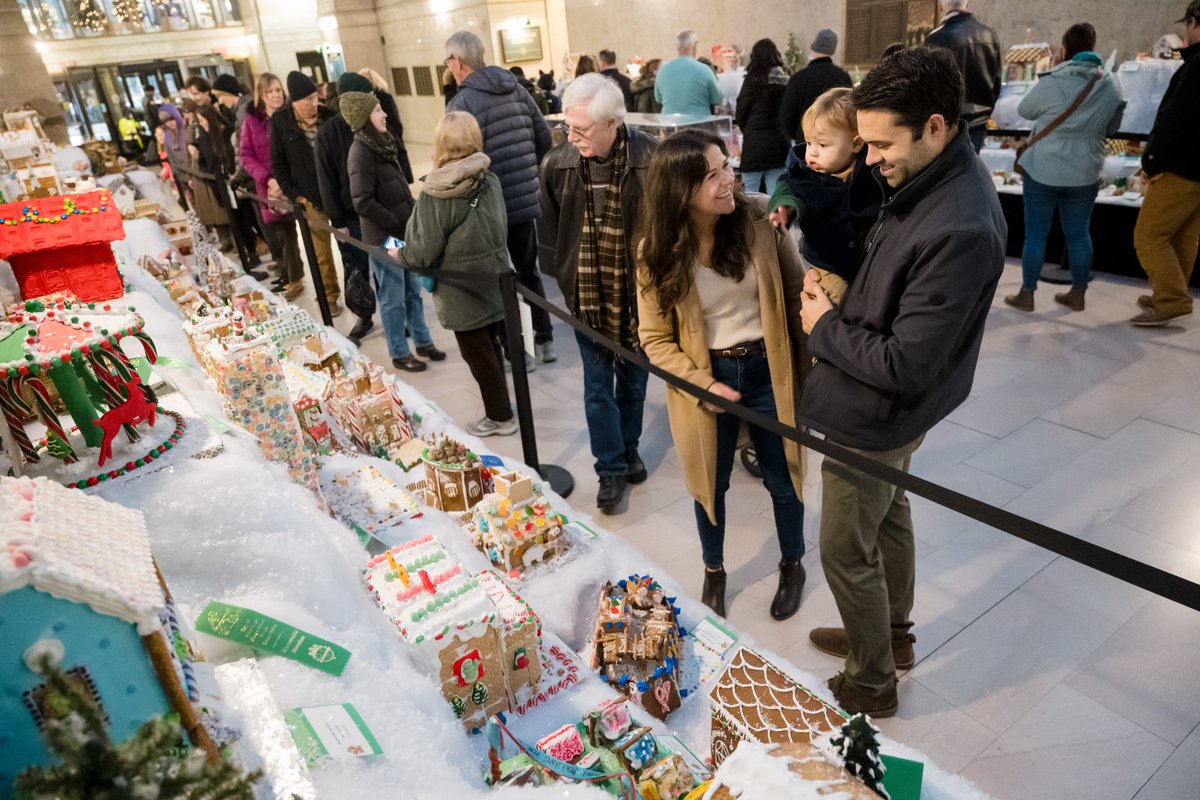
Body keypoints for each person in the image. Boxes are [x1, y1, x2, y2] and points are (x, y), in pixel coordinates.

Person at [798, 47, 1006, 717]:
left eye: (884, 143)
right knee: (889, 514)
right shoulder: (933, 180)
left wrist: (823, 326)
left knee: (844, 545)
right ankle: (890, 636)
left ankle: (872, 680)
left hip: (881, 405)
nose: (873, 155)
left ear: (937, 126)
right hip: (896, 405)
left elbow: (905, 363)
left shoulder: (960, 224)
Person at [636, 130, 808, 621]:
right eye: (711, 175)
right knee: (709, 483)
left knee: (784, 476)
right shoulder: (657, 248)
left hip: (767, 367)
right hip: (705, 375)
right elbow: (655, 340)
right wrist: (700, 383)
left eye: (726, 166)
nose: (727, 180)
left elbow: (796, 296)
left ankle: (792, 563)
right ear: (679, 190)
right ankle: (714, 570)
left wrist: (815, 369)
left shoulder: (759, 220)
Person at [539, 74, 657, 514]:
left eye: (581, 130)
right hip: (586, 294)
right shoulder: (557, 163)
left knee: (634, 379)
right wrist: (567, 284)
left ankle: (629, 449)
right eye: (568, 127)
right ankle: (609, 469)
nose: (572, 137)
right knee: (596, 385)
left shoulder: (651, 158)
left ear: (612, 123)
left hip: (636, 296)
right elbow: (553, 234)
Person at [385, 112, 516, 436]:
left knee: (478, 354)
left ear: (440, 143)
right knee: (491, 350)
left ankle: (500, 416)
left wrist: (399, 253)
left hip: (460, 290)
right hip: (495, 278)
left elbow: (421, 252)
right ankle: (502, 409)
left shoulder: (434, 194)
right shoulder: (491, 179)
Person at [445, 30, 557, 364]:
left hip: (486, 206)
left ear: (458, 61)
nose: (448, 66)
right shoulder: (517, 89)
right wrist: (527, 175)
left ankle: (518, 353)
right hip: (524, 200)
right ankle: (546, 339)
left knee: (499, 280)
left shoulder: (462, 103)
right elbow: (544, 138)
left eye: (448, 59)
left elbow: (455, 159)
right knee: (528, 272)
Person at [1003, 23, 1124, 314]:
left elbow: (1024, 111)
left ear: (1064, 48)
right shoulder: (1111, 82)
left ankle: (1027, 294)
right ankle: (1078, 293)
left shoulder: (1053, 79)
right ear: (1093, 46)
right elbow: (1113, 127)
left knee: (1036, 234)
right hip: (1085, 170)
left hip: (1043, 167)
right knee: (1079, 233)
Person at [343, 92, 440, 373]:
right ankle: (399, 351)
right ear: (364, 119)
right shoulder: (360, 152)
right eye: (377, 111)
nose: (384, 115)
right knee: (393, 295)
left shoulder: (382, 144)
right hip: (384, 236)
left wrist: (409, 216)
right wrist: (395, 219)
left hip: (401, 230)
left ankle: (422, 340)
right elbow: (362, 201)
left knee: (413, 288)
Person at [768, 87, 880, 304]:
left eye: (823, 144)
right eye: (809, 142)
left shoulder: (871, 168)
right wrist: (784, 211)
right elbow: (786, 192)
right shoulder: (802, 176)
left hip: (869, 260)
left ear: (856, 144)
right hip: (829, 265)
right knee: (834, 299)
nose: (812, 152)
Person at [1130, 1, 1200, 327]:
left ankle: (1172, 298)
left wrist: (1152, 161)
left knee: (1149, 235)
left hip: (1179, 167)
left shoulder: (1196, 67)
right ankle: (1169, 291)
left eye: (1187, 24)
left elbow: (1175, 120)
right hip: (1197, 171)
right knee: (1182, 235)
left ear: (1195, 23)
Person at [317, 70, 397, 345]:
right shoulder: (329, 131)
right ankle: (364, 315)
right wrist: (336, 220)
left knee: (391, 268)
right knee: (358, 269)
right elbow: (325, 178)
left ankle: (399, 321)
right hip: (351, 216)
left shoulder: (377, 124)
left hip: (383, 214)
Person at [270, 71, 342, 316]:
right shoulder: (281, 122)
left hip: (338, 194)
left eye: (315, 97)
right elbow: (278, 164)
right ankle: (330, 296)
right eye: (308, 100)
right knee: (321, 253)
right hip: (309, 197)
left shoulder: (330, 117)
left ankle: (360, 294)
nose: (314, 104)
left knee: (350, 248)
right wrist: (296, 196)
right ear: (295, 102)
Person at [242, 73, 304, 299]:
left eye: (278, 90)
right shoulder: (252, 120)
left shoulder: (290, 116)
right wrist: (268, 180)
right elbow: (246, 155)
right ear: (262, 94)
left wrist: (285, 181)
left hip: (291, 183)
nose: (276, 95)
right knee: (279, 234)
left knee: (295, 233)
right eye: (270, 91)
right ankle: (289, 275)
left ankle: (296, 277)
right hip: (267, 186)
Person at [924, 0, 1002, 152]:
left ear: (940, 7)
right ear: (966, 5)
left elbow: (928, 87)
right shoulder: (989, 35)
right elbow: (996, 82)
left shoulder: (938, 38)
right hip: (979, 121)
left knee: (946, 173)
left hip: (947, 124)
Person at [735, 39, 790, 195]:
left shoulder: (751, 81)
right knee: (775, 195)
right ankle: (774, 221)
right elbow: (789, 113)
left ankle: (751, 221)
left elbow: (740, 113)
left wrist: (750, 131)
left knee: (749, 195)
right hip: (779, 144)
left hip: (754, 145)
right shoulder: (785, 81)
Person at [779, 28, 852, 144]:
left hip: (806, 143)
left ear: (814, 46)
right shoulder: (842, 75)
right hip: (836, 142)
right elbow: (849, 111)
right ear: (832, 50)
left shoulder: (798, 78)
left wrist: (800, 135)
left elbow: (787, 117)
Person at [358, 67, 414, 183]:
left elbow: (395, 122)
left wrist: (392, 140)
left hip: (389, 142)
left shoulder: (383, 97)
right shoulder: (362, 101)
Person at [655, 29, 723, 116]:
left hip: (669, 124)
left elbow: (658, 99)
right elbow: (717, 99)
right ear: (694, 46)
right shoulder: (704, 69)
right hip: (699, 124)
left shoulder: (663, 70)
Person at [156, 103, 190, 210]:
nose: (170, 123)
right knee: (190, 205)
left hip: (193, 173)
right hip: (180, 176)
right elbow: (171, 158)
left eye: (172, 119)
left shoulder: (186, 131)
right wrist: (175, 176)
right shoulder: (167, 136)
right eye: (166, 121)